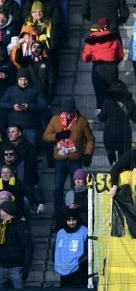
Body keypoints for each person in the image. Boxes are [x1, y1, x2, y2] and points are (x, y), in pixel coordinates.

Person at [42, 98, 94, 229]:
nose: (69, 115)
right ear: (63, 112)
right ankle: (60, 221)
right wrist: (57, 136)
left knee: (77, 191)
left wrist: (88, 154)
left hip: (75, 161)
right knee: (57, 190)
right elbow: (46, 136)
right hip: (60, 161)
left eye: (71, 112)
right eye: (67, 112)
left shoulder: (81, 121)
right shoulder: (55, 119)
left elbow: (90, 139)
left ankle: (77, 219)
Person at [81, 16, 123, 112]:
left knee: (99, 95)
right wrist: (113, 62)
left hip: (98, 68)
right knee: (112, 94)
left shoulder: (92, 39)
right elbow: (120, 55)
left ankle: (101, 116)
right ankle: (112, 114)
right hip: (112, 68)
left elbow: (85, 57)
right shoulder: (114, 39)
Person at [98, 79, 136, 165]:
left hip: (110, 133)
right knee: (123, 158)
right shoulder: (129, 101)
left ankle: (113, 164)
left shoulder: (108, 101)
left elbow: (101, 118)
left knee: (110, 150)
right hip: (124, 135)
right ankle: (121, 170)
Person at [0, 201, 32, 289]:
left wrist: (26, 267)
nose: (0, 213)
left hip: (17, 267)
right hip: (1, 265)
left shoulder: (21, 226)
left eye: (1, 210)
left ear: (8, 213)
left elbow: (28, 247)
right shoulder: (2, 226)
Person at [52, 208, 87, 287]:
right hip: (63, 271)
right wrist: (56, 262)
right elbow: (55, 250)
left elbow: (89, 252)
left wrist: (79, 263)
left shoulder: (85, 231)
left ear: (77, 219)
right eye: (68, 220)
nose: (71, 223)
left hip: (79, 272)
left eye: (73, 220)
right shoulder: (60, 233)